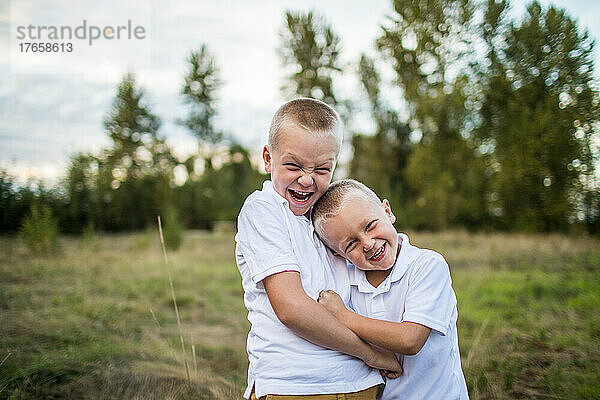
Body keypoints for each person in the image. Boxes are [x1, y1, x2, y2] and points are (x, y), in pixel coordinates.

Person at [235, 99, 401, 400]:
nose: (307, 179)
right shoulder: (263, 209)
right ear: (267, 158)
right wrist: (371, 354)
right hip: (295, 386)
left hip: (359, 384)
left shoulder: (326, 219)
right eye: (293, 165)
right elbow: (292, 309)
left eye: (322, 169)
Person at [312, 179, 469, 400]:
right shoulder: (345, 281)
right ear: (338, 255)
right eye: (351, 244)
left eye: (370, 226)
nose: (367, 243)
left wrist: (344, 317)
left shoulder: (426, 265)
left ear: (388, 211)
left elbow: (410, 340)